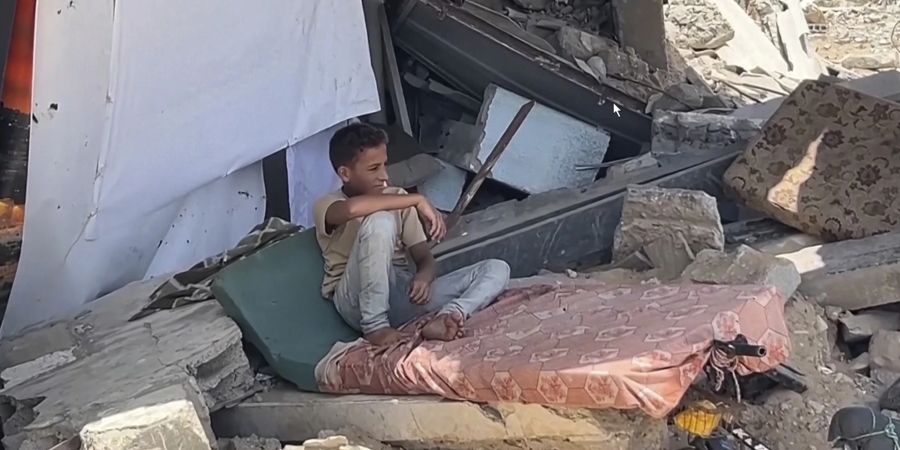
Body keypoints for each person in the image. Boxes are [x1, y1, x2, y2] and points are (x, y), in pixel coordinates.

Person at [313, 123, 510, 347]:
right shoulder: (327, 204)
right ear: (345, 173)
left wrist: (423, 278)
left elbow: (425, 259)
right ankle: (375, 326)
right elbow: (350, 210)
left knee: (496, 268)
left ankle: (448, 317)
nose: (384, 176)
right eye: (373, 168)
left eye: (384, 165)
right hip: (355, 300)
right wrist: (417, 199)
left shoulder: (397, 197)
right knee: (381, 219)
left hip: (401, 294)